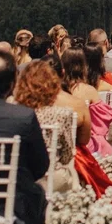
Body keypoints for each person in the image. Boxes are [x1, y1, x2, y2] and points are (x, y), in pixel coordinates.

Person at [0, 51, 49, 224]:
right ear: (13, 83)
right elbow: (41, 166)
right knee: (37, 193)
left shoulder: (23, 116)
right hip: (12, 203)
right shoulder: (23, 117)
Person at [14, 61, 75, 192]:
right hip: (52, 177)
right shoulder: (62, 114)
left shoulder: (16, 114)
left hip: (21, 176)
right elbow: (67, 156)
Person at [62, 48, 112, 157]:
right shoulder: (89, 90)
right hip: (83, 145)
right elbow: (103, 123)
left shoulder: (57, 91)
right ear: (83, 66)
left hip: (61, 144)